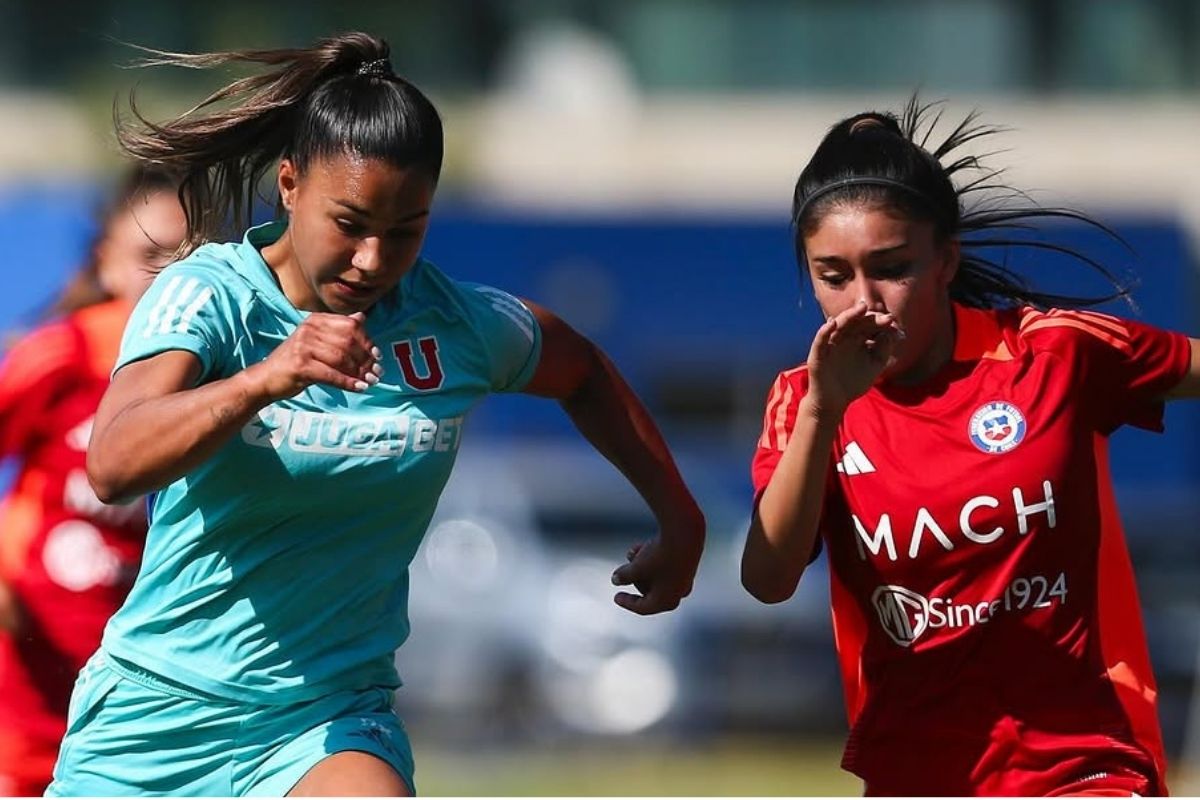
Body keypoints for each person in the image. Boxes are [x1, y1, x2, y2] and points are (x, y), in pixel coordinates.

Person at [47, 31, 705, 797]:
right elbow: (115, 462)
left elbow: (581, 369)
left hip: (324, 720)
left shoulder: (455, 325)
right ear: (289, 185)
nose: (372, 260)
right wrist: (265, 379)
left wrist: (678, 516)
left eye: (405, 232)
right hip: (156, 715)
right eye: (350, 223)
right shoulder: (211, 295)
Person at [742, 98, 1200, 797]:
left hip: (1087, 766)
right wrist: (823, 414)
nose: (864, 301)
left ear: (945, 260)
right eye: (833, 276)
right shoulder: (803, 404)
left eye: (891, 268)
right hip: (916, 775)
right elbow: (768, 580)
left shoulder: (1053, 352)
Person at [0, 165, 186, 796]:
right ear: (106, 260)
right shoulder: (62, 355)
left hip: (134, 687)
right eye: (148, 257)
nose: (165, 280)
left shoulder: (217, 385)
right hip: (27, 682)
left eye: (184, 260)